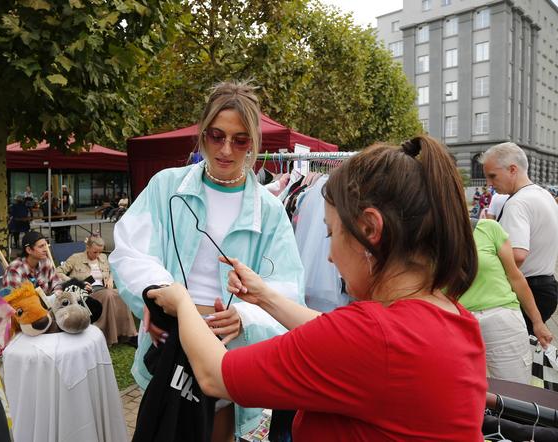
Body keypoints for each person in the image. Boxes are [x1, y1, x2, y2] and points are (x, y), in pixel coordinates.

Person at [148, 135, 487, 440]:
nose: (328, 256)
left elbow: (214, 375)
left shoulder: (372, 334)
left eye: (331, 232)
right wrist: (265, 296)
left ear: (369, 228)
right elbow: (338, 341)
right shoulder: (450, 315)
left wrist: (182, 302)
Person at [109, 81, 305, 441]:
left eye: (240, 139)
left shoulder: (270, 210)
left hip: (226, 352)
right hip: (166, 341)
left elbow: (289, 289)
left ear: (254, 143)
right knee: (162, 428)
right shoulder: (166, 187)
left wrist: (245, 317)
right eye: (216, 135)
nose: (226, 149)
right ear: (202, 133)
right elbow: (130, 250)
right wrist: (155, 298)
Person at [460, 218, 553, 384]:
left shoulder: (487, 228)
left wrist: (538, 322)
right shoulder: (421, 239)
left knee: (517, 393)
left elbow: (515, 277)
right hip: (454, 323)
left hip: (501, 321)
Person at [481, 142, 558, 333]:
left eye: (493, 176)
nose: (489, 184)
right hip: (546, 286)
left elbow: (517, 255)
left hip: (528, 290)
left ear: (512, 169)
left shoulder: (518, 202)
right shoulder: (543, 194)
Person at [56, 235, 137, 346]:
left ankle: (128, 334)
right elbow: (58, 272)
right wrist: (78, 283)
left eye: (100, 252)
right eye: (95, 252)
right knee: (109, 295)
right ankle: (107, 335)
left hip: (104, 288)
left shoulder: (103, 257)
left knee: (121, 294)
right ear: (87, 247)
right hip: (88, 292)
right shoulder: (76, 258)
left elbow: (112, 269)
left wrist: (110, 278)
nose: (98, 255)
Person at [2, 231, 62, 297]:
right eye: (41, 246)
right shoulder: (14, 269)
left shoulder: (46, 262)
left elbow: (57, 284)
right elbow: (11, 300)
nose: (46, 249)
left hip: (48, 304)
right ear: (29, 250)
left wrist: (55, 295)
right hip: (22, 306)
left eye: (46, 245)